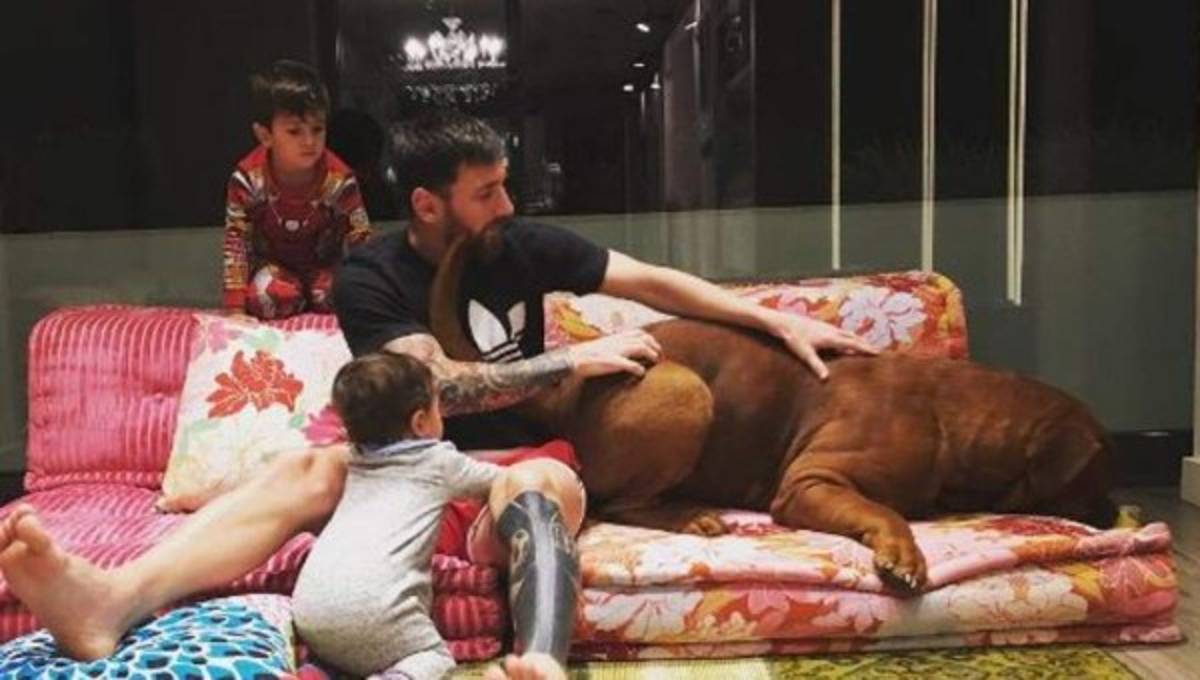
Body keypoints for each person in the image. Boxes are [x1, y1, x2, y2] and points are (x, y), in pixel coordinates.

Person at [0, 110, 874, 680]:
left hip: (512, 465)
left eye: (504, 184)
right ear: (427, 203)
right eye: (486, 192)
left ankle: (538, 662)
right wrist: (570, 362)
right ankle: (112, 600)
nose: (507, 203)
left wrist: (773, 319)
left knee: (543, 483)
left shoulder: (518, 244)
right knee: (306, 466)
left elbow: (649, 279)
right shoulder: (372, 277)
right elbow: (434, 387)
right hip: (395, 467)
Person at [293, 351, 509, 679]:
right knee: (434, 659)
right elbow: (502, 481)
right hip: (375, 612)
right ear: (420, 422)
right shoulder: (438, 462)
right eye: (438, 405)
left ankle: (317, 672)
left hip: (309, 609)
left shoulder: (354, 459)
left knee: (343, 657)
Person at [223, 59, 373, 320]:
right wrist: (235, 309)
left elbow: (360, 236)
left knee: (343, 295)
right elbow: (236, 240)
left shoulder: (339, 179)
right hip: (274, 270)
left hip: (324, 269)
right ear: (265, 135)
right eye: (294, 131)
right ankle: (297, 298)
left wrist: (373, 293)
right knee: (267, 297)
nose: (309, 141)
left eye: (317, 129)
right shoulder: (249, 179)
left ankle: (313, 298)